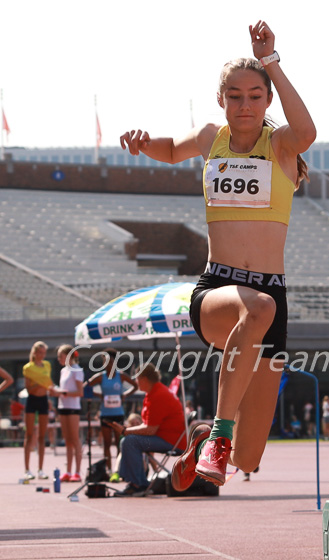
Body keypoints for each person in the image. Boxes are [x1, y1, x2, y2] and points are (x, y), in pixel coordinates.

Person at [120, 20, 316, 490]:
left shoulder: (282, 147)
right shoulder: (212, 139)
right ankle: (219, 437)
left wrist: (271, 60)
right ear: (221, 99)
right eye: (234, 95)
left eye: (253, 95)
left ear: (268, 100)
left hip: (270, 297)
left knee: (248, 459)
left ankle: (207, 437)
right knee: (258, 306)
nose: (243, 104)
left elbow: (307, 128)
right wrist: (143, 142)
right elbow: (170, 150)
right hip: (218, 290)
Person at [107, 364, 187, 496]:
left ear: (144, 378)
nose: (136, 382)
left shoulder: (158, 395)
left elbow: (150, 430)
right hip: (167, 438)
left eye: (137, 379)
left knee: (129, 442)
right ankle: (135, 482)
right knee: (128, 441)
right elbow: (149, 426)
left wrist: (126, 430)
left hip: (171, 442)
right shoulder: (154, 392)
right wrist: (127, 431)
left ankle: (138, 484)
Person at [84, 349, 138, 475]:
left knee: (119, 443)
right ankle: (108, 469)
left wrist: (125, 395)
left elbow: (135, 385)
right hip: (105, 414)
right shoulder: (100, 376)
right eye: (104, 361)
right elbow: (86, 386)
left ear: (115, 362)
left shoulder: (121, 375)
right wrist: (99, 395)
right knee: (107, 443)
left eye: (110, 361)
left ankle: (118, 470)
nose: (107, 364)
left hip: (118, 413)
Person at [49, 345, 84, 481]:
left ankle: (78, 472)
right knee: (67, 440)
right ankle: (68, 471)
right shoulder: (64, 371)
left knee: (75, 439)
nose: (59, 359)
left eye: (60, 356)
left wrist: (60, 392)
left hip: (73, 408)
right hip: (62, 406)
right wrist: (56, 391)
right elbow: (64, 390)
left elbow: (79, 392)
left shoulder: (77, 370)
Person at [22, 341, 54, 481]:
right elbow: (29, 388)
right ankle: (27, 469)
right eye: (39, 352)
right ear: (34, 353)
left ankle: (40, 469)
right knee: (29, 435)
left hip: (43, 401)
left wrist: (48, 388)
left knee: (42, 436)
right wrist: (41, 384)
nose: (42, 355)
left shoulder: (47, 365)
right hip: (32, 401)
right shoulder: (28, 368)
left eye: (44, 353)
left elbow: (49, 384)